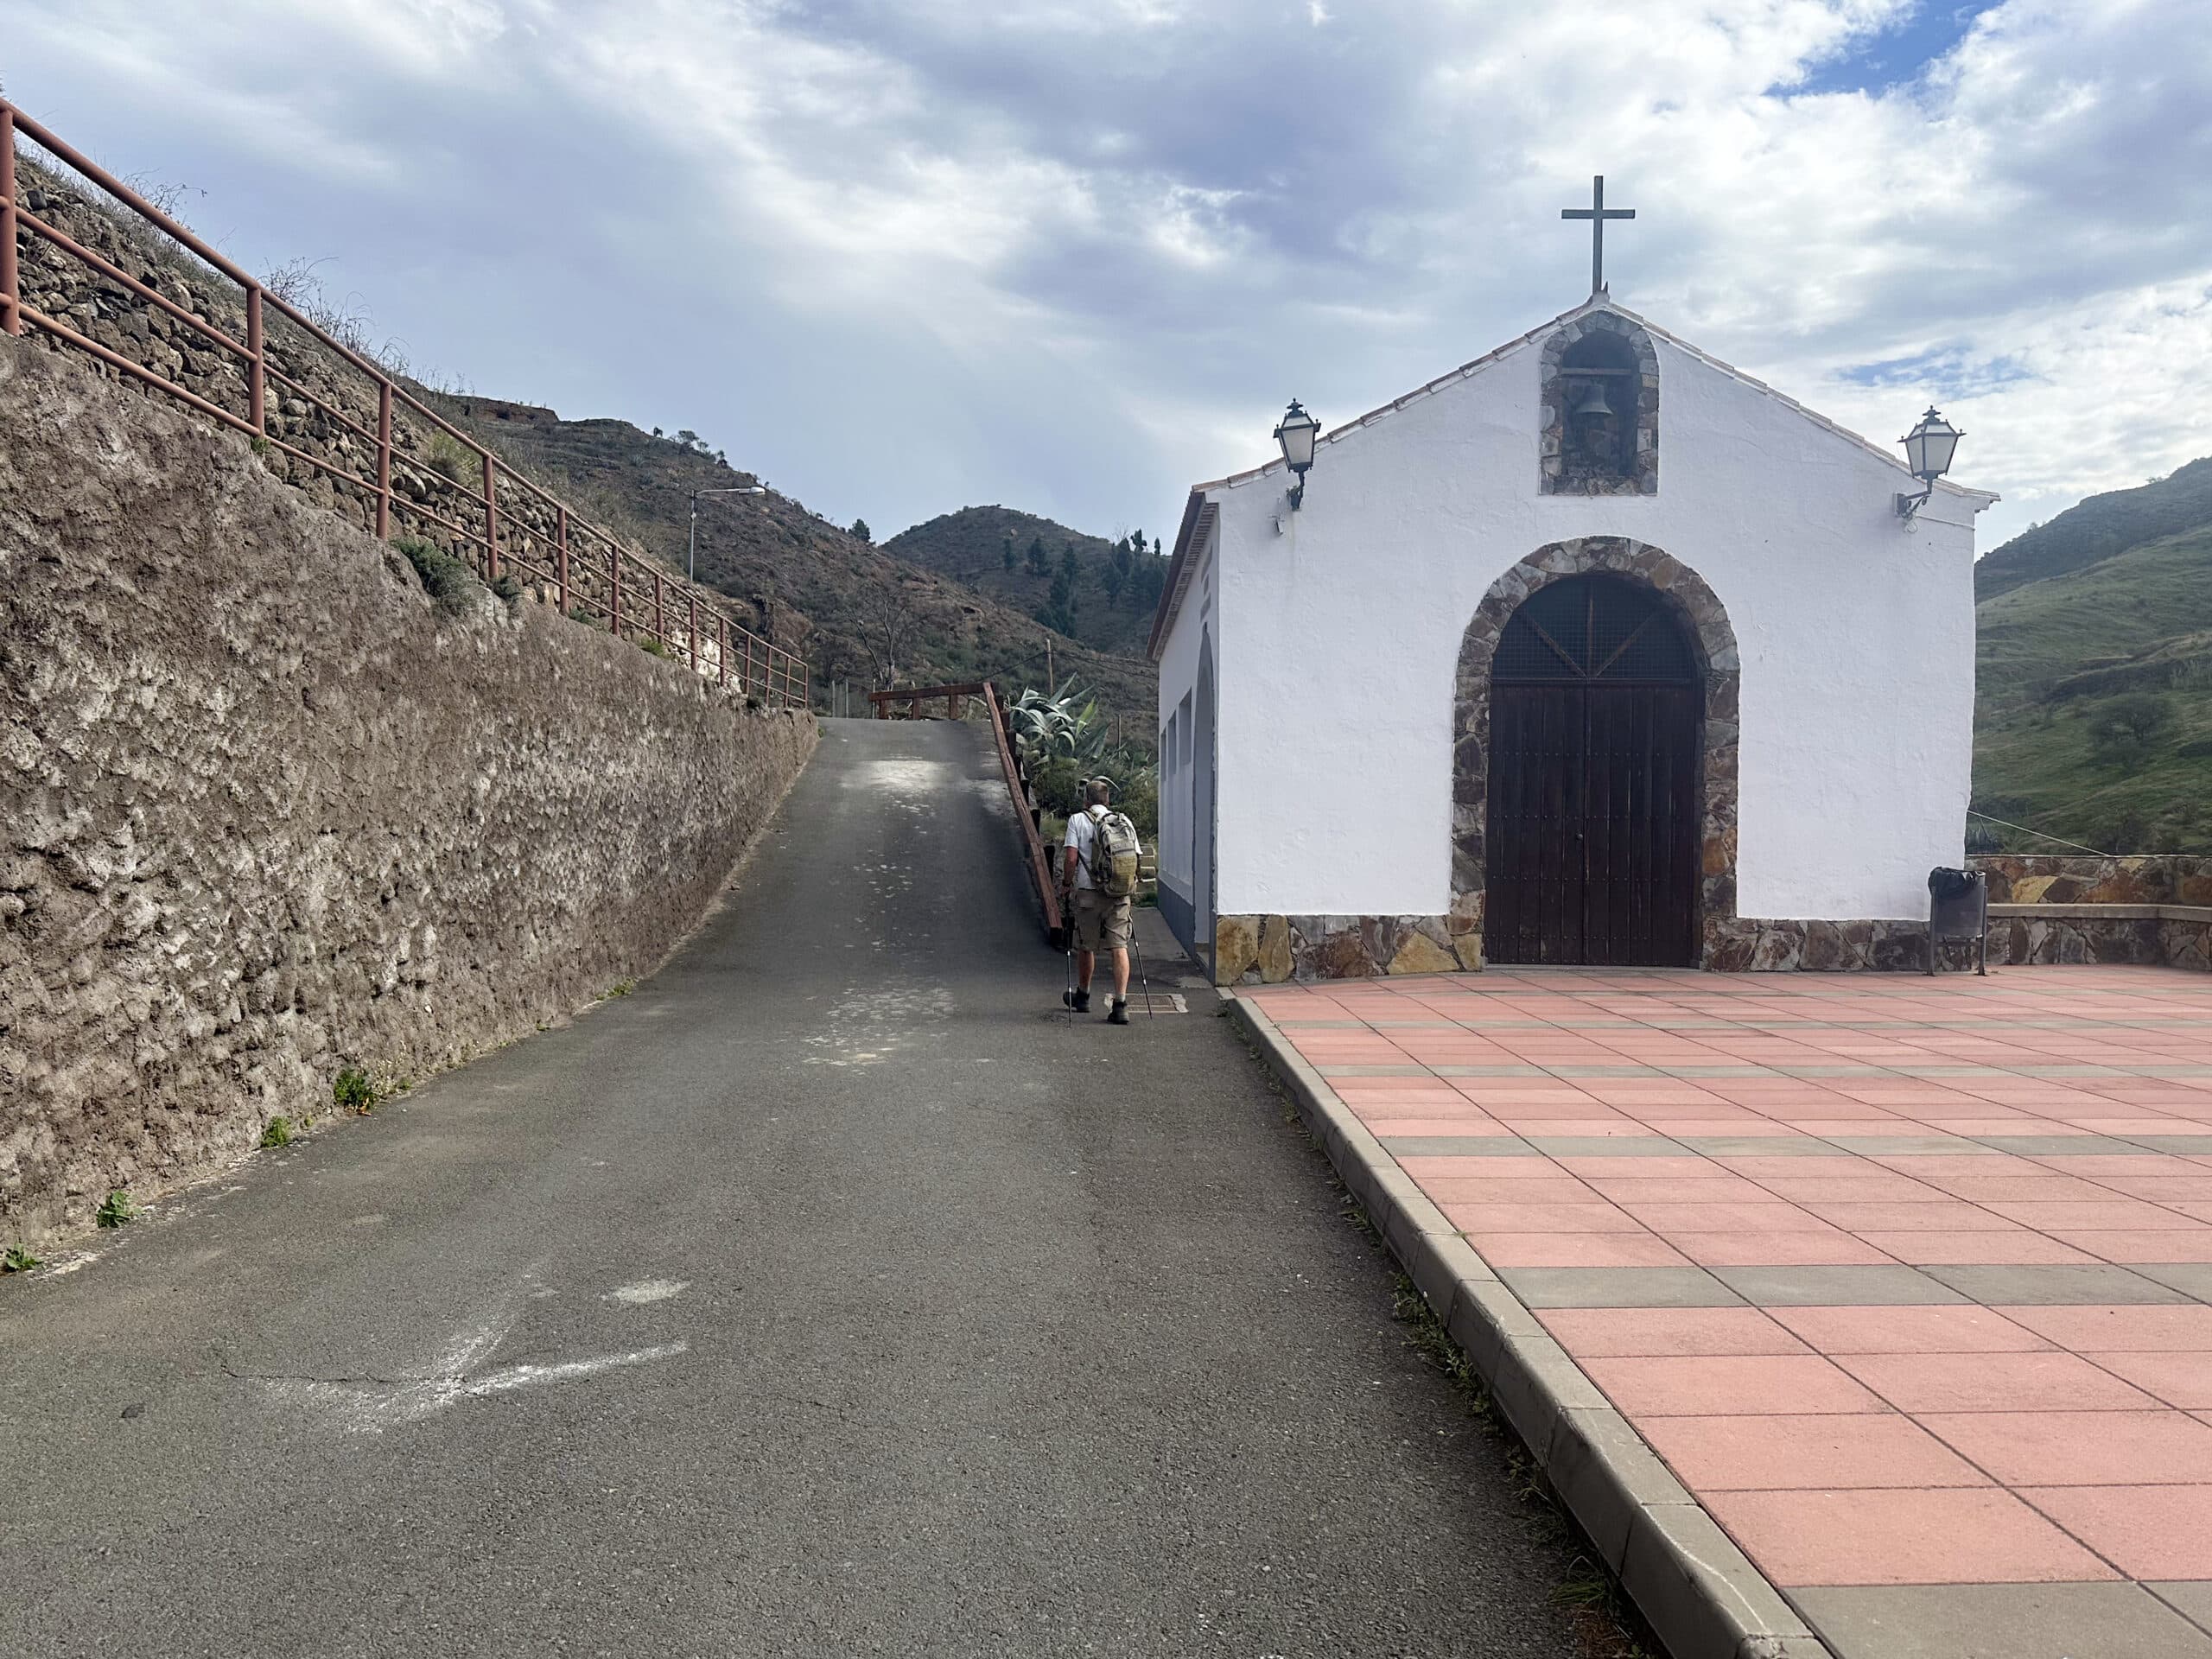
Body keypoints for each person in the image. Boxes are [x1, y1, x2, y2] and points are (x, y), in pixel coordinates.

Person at [1061, 779, 1136, 1025]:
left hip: (1089, 895)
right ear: (1107, 801)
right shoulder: (1123, 822)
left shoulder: (1077, 820)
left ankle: (1083, 996)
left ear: (1086, 800)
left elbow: (1071, 859)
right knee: (1119, 946)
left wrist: (1065, 884)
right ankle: (1121, 1004)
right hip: (1118, 894)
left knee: (1087, 945)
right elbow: (1134, 857)